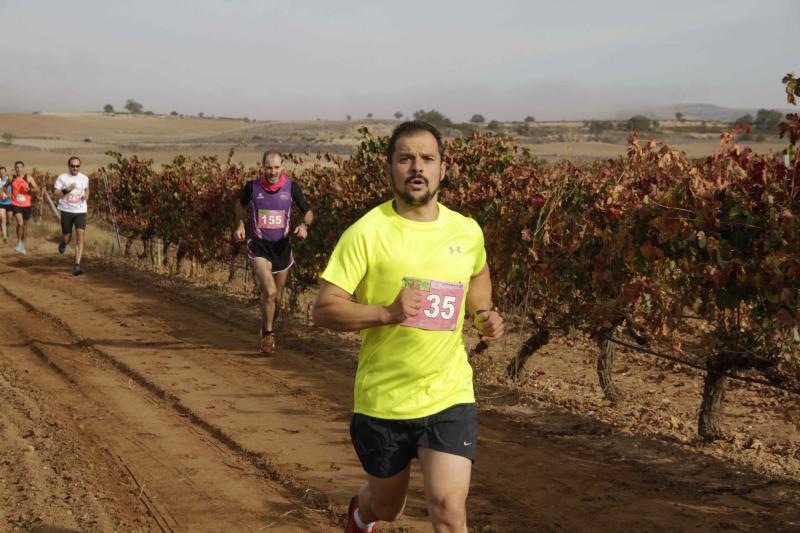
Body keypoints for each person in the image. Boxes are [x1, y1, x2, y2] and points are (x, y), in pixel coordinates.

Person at [312, 121, 504, 533]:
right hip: (383, 403)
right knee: (388, 506)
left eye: (427, 158)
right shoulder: (366, 233)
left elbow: (479, 272)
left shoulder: (466, 231)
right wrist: (386, 313)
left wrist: (482, 312)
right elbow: (324, 309)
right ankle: (361, 516)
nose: (417, 167)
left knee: (450, 508)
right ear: (391, 169)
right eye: (406, 158)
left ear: (442, 169)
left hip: (448, 396)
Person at [233, 151, 314, 353]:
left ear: (282, 167)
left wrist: (304, 225)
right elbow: (239, 205)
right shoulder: (252, 187)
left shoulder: (291, 188)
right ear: (262, 167)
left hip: (282, 249)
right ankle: (268, 337)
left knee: (277, 299)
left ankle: (266, 327)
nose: (273, 171)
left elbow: (308, 211)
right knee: (268, 291)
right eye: (269, 167)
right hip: (259, 247)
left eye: (276, 167)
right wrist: (240, 224)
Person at [53, 156, 89, 276]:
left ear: (80, 166)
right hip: (66, 211)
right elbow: (55, 193)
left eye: (77, 166)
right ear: (69, 166)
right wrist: (66, 190)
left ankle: (77, 265)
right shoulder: (62, 178)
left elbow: (87, 189)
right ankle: (63, 243)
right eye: (73, 166)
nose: (75, 168)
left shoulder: (84, 178)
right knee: (67, 238)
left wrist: (87, 196)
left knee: (80, 235)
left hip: (81, 211)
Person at [10, 161, 40, 255]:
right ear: (15, 168)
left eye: (20, 167)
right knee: (20, 223)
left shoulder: (28, 178)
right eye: (17, 167)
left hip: (26, 205)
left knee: (25, 226)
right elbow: (4, 187)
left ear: (23, 168)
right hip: (16, 204)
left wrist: (30, 189)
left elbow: (37, 189)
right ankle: (18, 242)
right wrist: (5, 193)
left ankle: (22, 244)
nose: (18, 169)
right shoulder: (12, 178)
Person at [0, 166, 11, 242]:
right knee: (2, 218)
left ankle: (8, 227)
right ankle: (5, 237)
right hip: (1, 202)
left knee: (9, 220)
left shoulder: (10, 180)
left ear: (6, 173)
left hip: (10, 202)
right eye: (0, 173)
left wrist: (8, 195)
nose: (2, 174)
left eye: (3, 173)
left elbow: (14, 190)